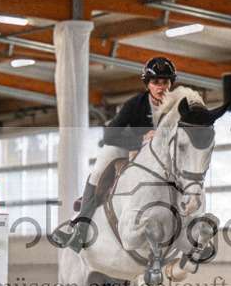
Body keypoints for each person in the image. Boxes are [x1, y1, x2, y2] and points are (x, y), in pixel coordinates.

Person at [53, 56, 177, 252]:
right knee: (98, 170)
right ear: (148, 85)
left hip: (161, 156)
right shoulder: (133, 105)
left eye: (165, 82)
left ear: (171, 83)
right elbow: (110, 136)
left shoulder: (178, 106)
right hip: (127, 147)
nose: (161, 87)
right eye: (155, 82)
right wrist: (141, 139)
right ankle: (79, 226)